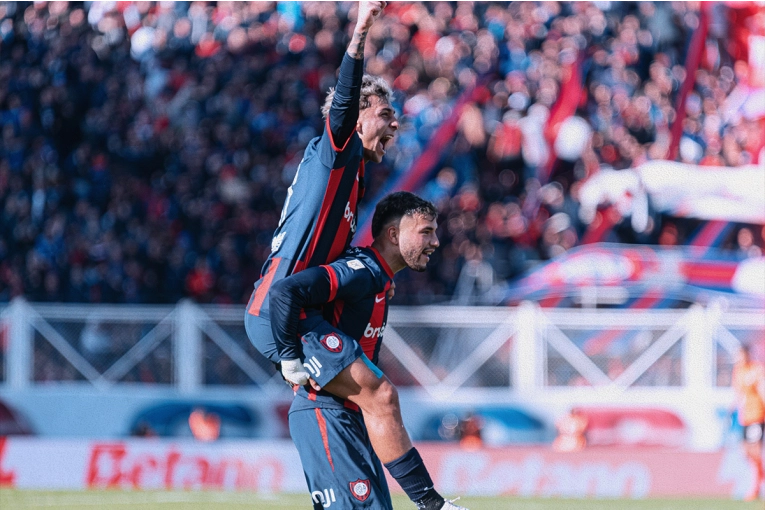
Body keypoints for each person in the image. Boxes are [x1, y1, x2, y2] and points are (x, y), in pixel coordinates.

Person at [269, 192, 465, 509]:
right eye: (426, 232)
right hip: (326, 414)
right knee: (384, 394)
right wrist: (288, 357)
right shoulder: (361, 271)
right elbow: (284, 291)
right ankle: (431, 504)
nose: (436, 242)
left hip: (352, 420)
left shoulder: (379, 281)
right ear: (393, 234)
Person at [245, 0, 397, 364]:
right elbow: (345, 96)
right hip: (279, 310)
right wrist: (361, 29)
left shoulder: (351, 174)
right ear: (357, 120)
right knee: (378, 395)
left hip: (295, 310)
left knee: (351, 403)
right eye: (385, 114)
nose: (395, 124)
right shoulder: (338, 151)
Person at [732, 345, 765, 501]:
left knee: (755, 449)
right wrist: (732, 407)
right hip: (744, 417)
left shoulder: (756, 369)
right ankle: (761, 474)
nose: (738, 358)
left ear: (747, 354)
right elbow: (738, 393)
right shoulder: (738, 371)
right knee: (745, 451)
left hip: (757, 415)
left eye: (740, 354)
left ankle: (756, 486)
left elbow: (762, 389)